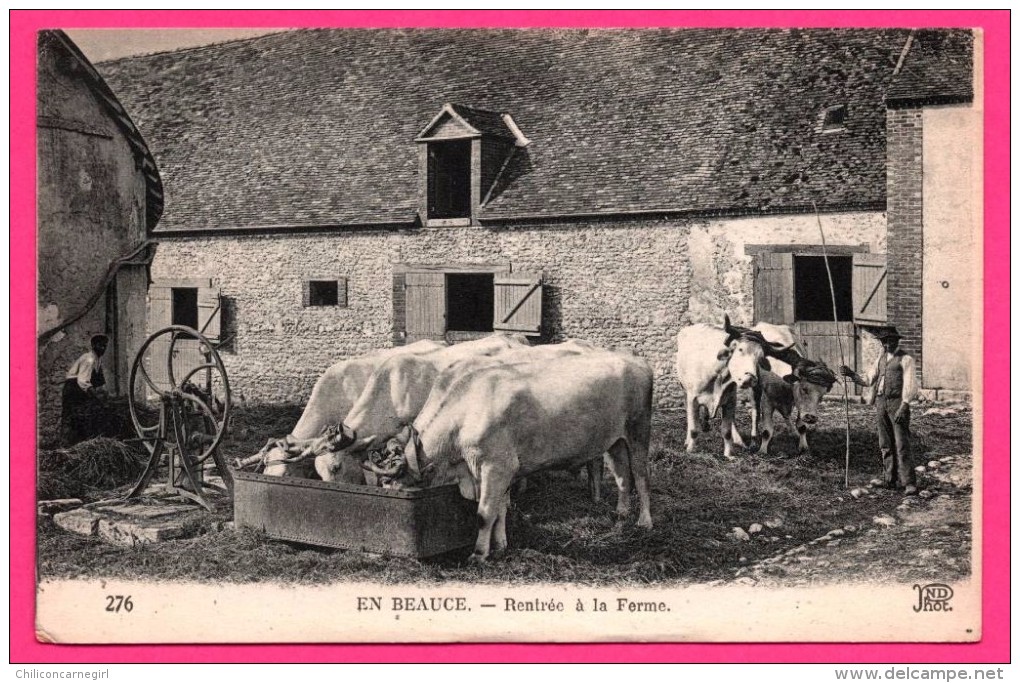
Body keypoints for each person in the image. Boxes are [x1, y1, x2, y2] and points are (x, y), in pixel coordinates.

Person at [840, 326, 919, 496]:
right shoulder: (881, 358)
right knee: (885, 443)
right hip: (881, 403)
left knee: (901, 443)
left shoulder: (906, 359)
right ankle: (889, 479)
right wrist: (851, 374)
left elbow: (910, 385)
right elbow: (868, 380)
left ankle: (909, 482)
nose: (887, 344)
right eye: (884, 341)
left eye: (890, 340)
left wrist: (904, 406)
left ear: (897, 341)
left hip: (897, 402)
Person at [60, 333, 110, 446]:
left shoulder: (98, 360)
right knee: (73, 416)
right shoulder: (89, 359)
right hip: (73, 389)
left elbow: (100, 381)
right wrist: (96, 397)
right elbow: (83, 381)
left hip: (80, 390)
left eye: (105, 346)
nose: (103, 348)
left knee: (85, 415)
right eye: (100, 345)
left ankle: (82, 442)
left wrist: (106, 396)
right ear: (93, 345)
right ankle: (67, 445)